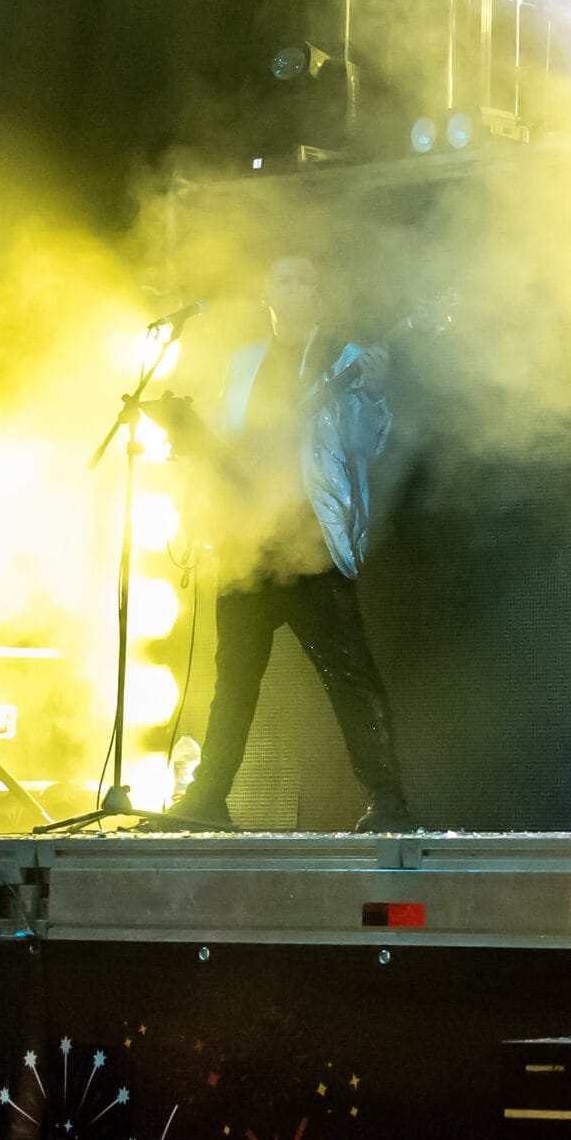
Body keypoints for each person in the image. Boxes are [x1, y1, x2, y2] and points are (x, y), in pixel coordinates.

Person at [154, 253, 416, 832]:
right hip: (247, 542)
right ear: (269, 296)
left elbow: (366, 443)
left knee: (349, 676)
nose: (293, 289)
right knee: (233, 680)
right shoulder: (242, 364)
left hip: (311, 540)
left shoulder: (345, 360)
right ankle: (208, 798)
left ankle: (389, 802)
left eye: (304, 280)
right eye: (284, 280)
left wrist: (372, 393)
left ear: (318, 297)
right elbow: (229, 447)